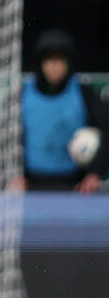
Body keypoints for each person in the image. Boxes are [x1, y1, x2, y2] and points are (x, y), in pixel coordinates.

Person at [11, 30, 109, 193]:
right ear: (41, 63)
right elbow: (7, 137)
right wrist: (14, 174)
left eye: (60, 60)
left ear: (68, 63)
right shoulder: (22, 94)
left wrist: (94, 173)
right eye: (49, 60)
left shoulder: (83, 92)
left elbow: (107, 128)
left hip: (75, 186)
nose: (54, 66)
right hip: (31, 186)